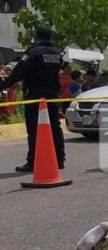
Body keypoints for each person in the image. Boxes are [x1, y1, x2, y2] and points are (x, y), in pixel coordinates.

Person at [0, 27, 65, 173]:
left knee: (35, 129)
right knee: (54, 126)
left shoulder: (33, 52)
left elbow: (18, 73)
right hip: (52, 94)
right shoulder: (57, 53)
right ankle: (59, 159)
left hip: (36, 95)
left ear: (37, 37)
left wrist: (3, 85)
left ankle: (33, 162)